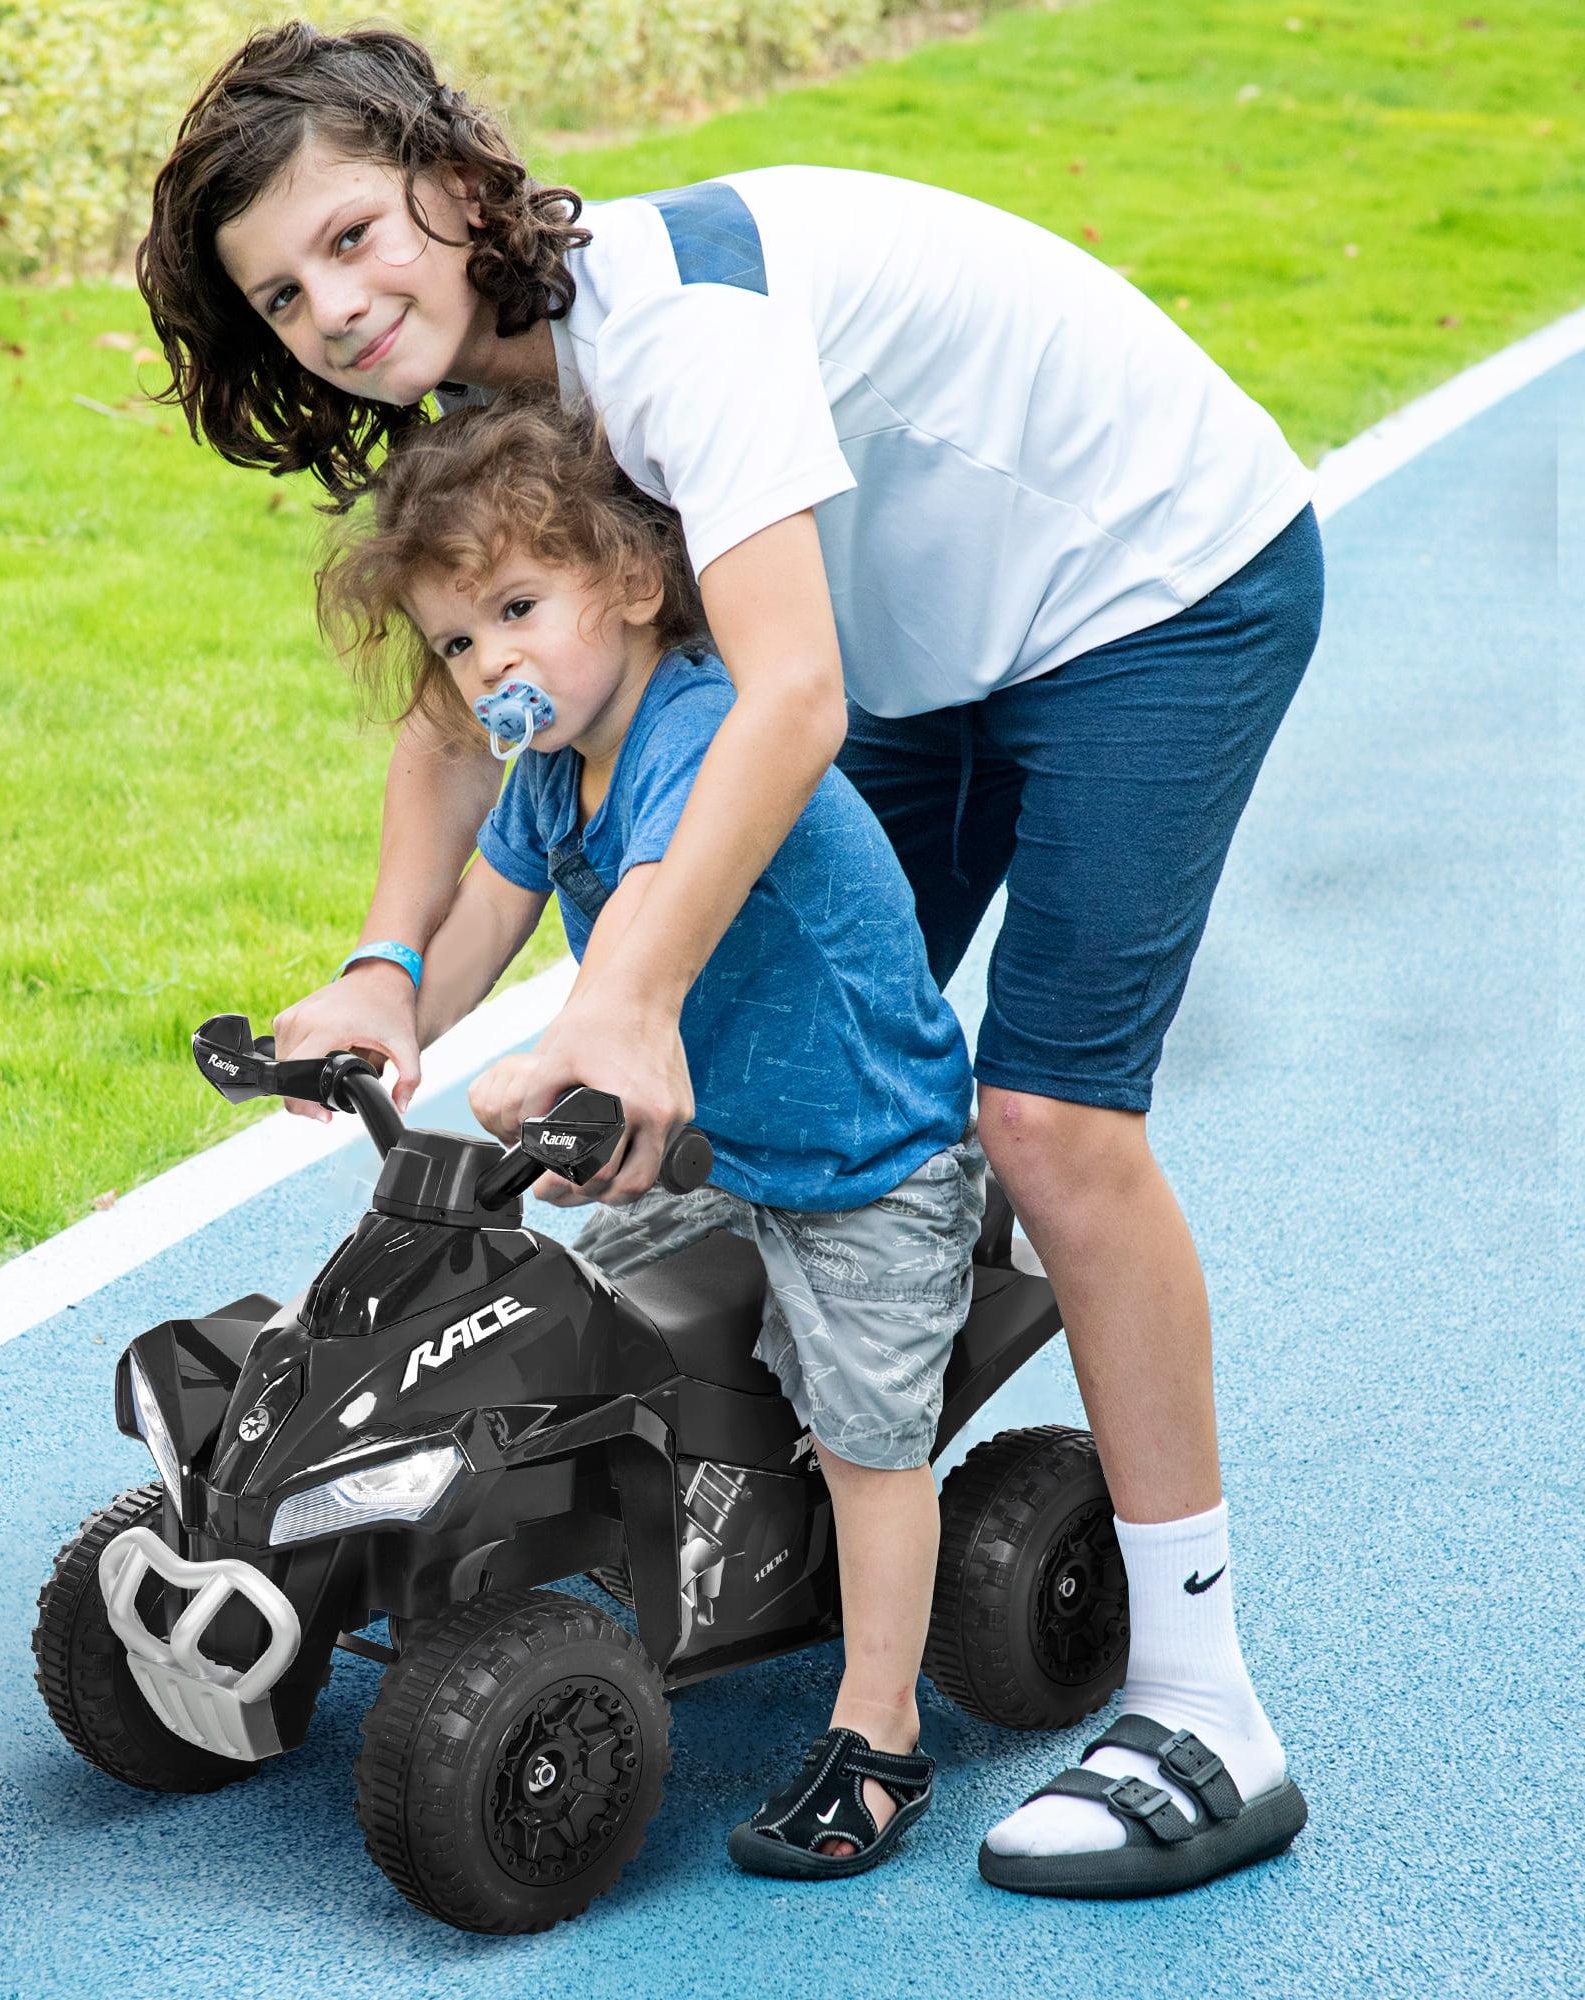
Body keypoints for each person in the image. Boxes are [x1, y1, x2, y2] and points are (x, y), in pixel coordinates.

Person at [137, 21, 1320, 1896]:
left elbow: (789, 692)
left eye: (355, 236)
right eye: (283, 294)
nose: (334, 307)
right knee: (803, 1033)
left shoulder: (674, 334)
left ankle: (1200, 1704)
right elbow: (472, 720)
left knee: (1040, 1122)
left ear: (456, 184)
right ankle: (771, 1499)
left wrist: (625, 991)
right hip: (925, 639)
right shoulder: (480, 406)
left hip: (1144, 585)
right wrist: (383, 966)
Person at [315, 384, 984, 1877]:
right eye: (458, 640)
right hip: (719, 1150)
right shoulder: (551, 764)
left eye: (516, 607)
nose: (491, 661)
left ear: (628, 582)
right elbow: (485, 911)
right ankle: (688, 1546)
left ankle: (879, 1732)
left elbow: (658, 924)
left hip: (861, 1157)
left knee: (870, 1431)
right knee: (594, 1325)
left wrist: (563, 1054)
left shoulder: (693, 725)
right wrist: (392, 997)